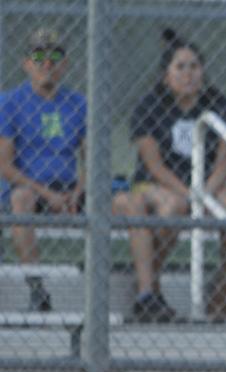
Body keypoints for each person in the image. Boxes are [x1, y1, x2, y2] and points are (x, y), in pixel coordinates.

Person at [0, 28, 152, 315]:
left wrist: (78, 191)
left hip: (71, 188)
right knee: (21, 200)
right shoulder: (9, 102)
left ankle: (147, 295)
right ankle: (37, 289)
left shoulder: (79, 103)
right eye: (39, 56)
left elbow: (94, 159)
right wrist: (48, 195)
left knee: (130, 203)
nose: (48, 63)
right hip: (31, 190)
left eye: (55, 55)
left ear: (66, 63)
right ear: (26, 63)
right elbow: (4, 165)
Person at [127, 29, 226, 322]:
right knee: (173, 206)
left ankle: (222, 287)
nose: (189, 73)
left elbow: (223, 162)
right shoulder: (150, 105)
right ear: (166, 75)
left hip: (205, 185)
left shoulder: (217, 104)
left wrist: (203, 193)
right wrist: (189, 195)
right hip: (156, 184)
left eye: (194, 66)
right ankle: (149, 283)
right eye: (180, 67)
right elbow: (154, 166)